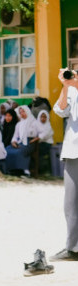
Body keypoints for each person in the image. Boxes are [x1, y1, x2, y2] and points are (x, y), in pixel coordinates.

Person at [51, 69, 78, 261]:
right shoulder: (72, 89)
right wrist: (65, 86)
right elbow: (60, 110)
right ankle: (73, 248)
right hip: (73, 150)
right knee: (71, 203)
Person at [5, 106, 37, 176]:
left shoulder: (33, 122)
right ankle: (11, 170)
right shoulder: (19, 124)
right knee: (7, 150)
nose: (22, 114)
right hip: (19, 142)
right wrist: (13, 142)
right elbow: (15, 136)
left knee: (19, 151)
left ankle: (24, 171)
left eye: (23, 111)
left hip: (29, 143)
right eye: (20, 112)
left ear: (27, 111)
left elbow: (35, 134)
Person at [34, 109, 54, 175]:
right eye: (41, 117)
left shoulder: (48, 126)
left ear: (47, 118)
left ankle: (42, 171)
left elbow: (44, 136)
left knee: (40, 153)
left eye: (45, 117)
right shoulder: (36, 124)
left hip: (47, 143)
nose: (43, 118)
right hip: (38, 142)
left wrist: (37, 138)